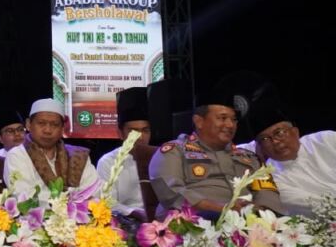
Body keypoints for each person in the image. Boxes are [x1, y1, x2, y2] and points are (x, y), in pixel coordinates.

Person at [149, 90, 283, 218]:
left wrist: (258, 213)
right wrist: (222, 209)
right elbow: (171, 193)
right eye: (222, 118)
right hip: (194, 226)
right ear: (199, 121)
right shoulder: (174, 151)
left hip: (249, 226)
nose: (230, 125)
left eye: (234, 120)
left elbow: (268, 192)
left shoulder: (250, 158)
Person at [3, 98, 100, 208]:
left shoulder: (78, 156)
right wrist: (69, 205)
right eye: (41, 123)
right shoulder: (17, 155)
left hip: (79, 220)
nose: (48, 130)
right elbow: (25, 198)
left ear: (63, 128)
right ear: (29, 124)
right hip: (34, 221)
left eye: (54, 124)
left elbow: (94, 192)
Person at [244, 102, 335, 217]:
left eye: (279, 132)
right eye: (265, 139)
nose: (275, 141)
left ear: (295, 132)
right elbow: (317, 206)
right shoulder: (271, 179)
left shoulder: (325, 140)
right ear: (261, 148)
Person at [96, 87, 152, 220]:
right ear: (120, 134)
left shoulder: (162, 158)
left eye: (145, 131)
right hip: (125, 221)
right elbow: (106, 200)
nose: (140, 137)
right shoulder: (108, 162)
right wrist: (133, 212)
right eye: (133, 131)